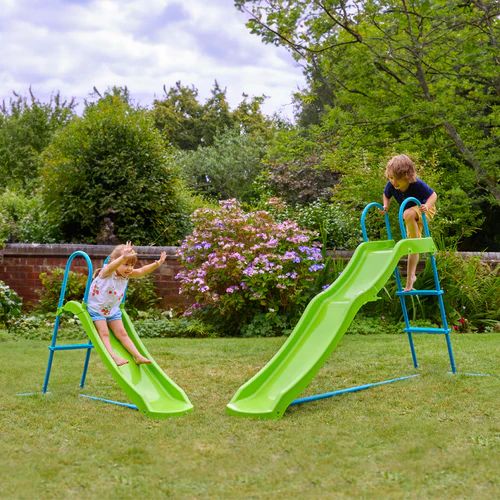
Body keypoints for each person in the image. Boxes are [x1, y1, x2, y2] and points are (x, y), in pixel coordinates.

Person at [87, 242, 166, 366]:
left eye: (132, 265)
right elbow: (112, 267)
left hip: (112, 310)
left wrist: (157, 263)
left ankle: (137, 356)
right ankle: (113, 356)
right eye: (126, 264)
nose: (129, 268)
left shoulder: (127, 275)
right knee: (104, 333)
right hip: (96, 309)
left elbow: (141, 271)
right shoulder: (107, 272)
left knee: (122, 333)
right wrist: (123, 257)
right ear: (115, 261)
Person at [379, 154, 437, 292]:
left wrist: (427, 206)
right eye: (391, 178)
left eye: (397, 178)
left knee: (407, 213)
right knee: (412, 245)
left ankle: (418, 242)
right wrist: (386, 206)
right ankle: (411, 278)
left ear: (407, 176)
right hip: (410, 217)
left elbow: (433, 195)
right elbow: (386, 195)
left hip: (425, 210)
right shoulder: (391, 185)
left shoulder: (416, 184)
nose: (393, 182)